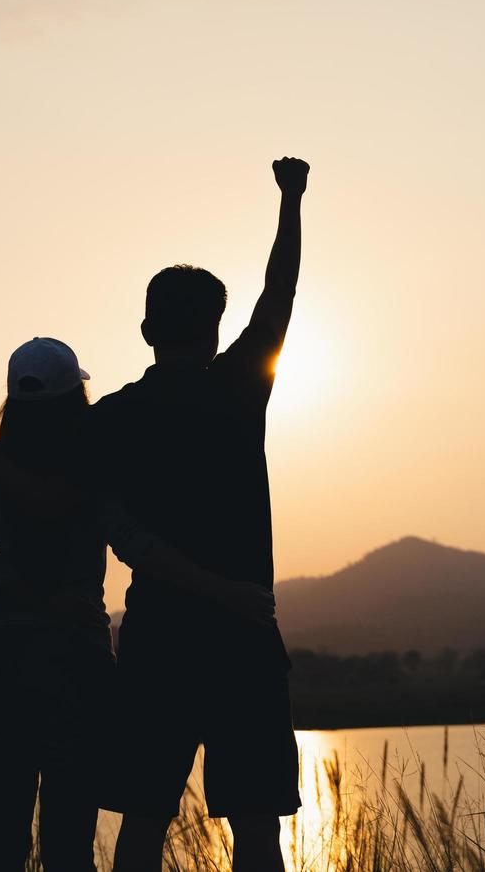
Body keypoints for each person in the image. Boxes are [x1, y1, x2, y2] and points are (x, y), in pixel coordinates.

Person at [0, 337, 276, 872]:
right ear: (77, 397)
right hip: (76, 660)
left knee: (0, 834)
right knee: (68, 840)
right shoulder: (93, 472)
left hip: (1, 658)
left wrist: (13, 588)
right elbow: (140, 547)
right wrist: (227, 592)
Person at [96, 158, 310, 872]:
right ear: (218, 329)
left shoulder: (113, 418)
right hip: (242, 636)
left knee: (144, 821)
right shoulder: (240, 390)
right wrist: (290, 201)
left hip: (158, 638)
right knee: (255, 827)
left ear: (148, 327)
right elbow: (279, 296)